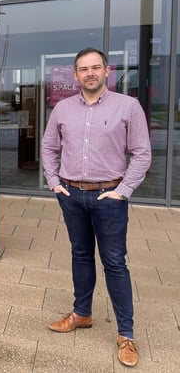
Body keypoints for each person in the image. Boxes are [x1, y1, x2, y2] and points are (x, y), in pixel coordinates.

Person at [41, 48, 151, 367]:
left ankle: (126, 334)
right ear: (75, 75)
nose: (89, 73)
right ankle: (82, 314)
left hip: (110, 197)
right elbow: (48, 147)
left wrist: (124, 190)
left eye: (95, 68)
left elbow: (142, 153)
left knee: (115, 262)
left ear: (107, 71)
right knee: (80, 254)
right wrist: (54, 183)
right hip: (72, 195)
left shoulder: (128, 107)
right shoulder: (62, 109)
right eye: (83, 69)